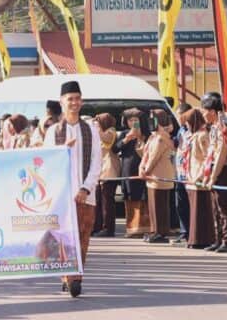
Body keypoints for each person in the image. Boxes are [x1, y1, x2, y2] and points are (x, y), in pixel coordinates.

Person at [44, 81, 101, 298]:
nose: (74, 102)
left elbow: (97, 161)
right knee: (62, 238)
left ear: (82, 101)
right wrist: (61, 151)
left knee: (82, 236)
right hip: (61, 196)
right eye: (70, 99)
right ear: (62, 102)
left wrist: (86, 188)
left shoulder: (91, 130)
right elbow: (46, 163)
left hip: (86, 195)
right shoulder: (53, 132)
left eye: (77, 98)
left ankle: (76, 277)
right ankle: (67, 276)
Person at [201, 93, 227, 253]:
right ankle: (217, 238)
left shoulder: (223, 128)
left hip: (222, 170)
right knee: (215, 208)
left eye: (205, 111)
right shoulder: (213, 127)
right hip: (214, 170)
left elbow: (221, 154)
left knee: (223, 207)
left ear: (213, 112)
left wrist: (213, 176)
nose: (203, 114)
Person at [139, 110, 176, 244]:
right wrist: (141, 168)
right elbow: (146, 154)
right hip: (151, 176)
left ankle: (161, 232)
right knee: (153, 205)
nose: (150, 122)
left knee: (160, 205)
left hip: (160, 174)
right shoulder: (153, 136)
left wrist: (146, 170)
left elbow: (155, 156)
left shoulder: (162, 137)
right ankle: (154, 230)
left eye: (153, 119)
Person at [114, 108, 149, 238]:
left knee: (143, 197)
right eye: (130, 120)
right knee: (129, 197)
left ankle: (145, 228)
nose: (133, 122)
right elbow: (115, 149)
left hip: (142, 168)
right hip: (127, 168)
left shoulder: (146, 133)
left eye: (136, 120)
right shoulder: (124, 133)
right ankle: (132, 228)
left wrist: (140, 137)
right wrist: (126, 139)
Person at [184, 108, 215, 249]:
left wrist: (200, 175)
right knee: (194, 211)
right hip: (191, 177)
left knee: (201, 211)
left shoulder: (203, 135)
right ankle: (194, 238)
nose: (186, 125)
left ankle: (202, 239)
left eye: (188, 122)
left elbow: (207, 158)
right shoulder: (193, 135)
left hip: (199, 178)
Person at [93, 113, 119, 237]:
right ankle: (97, 226)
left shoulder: (111, 131)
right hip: (100, 171)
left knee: (107, 201)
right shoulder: (100, 133)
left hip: (109, 171)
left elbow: (107, 139)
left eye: (98, 123)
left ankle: (108, 228)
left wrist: (97, 129)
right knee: (98, 201)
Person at [172, 103, 193, 245]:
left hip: (190, 173)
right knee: (180, 204)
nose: (177, 117)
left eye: (179, 114)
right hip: (179, 172)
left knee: (190, 204)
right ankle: (184, 230)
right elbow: (175, 144)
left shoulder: (193, 130)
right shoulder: (181, 130)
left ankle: (192, 232)